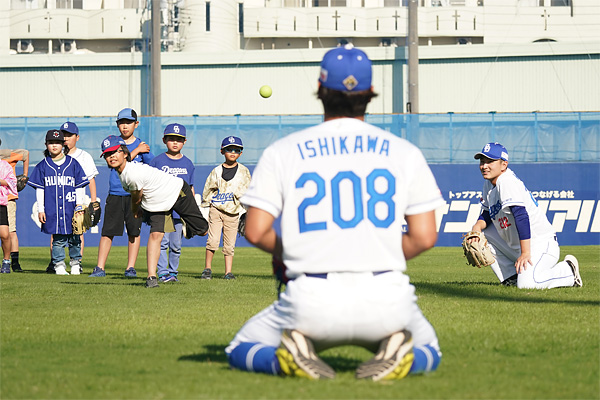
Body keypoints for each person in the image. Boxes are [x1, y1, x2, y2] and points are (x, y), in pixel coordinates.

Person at [225, 45, 445, 381]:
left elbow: (255, 231)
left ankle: (287, 358)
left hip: (312, 300)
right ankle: (400, 354)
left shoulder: (284, 151)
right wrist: (372, 251)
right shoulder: (404, 152)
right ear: (371, 94)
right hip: (387, 298)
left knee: (241, 346)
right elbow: (425, 236)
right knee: (430, 350)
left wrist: (291, 251)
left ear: (321, 91)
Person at [467, 142, 582, 289]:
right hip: (519, 247)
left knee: (528, 285)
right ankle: (511, 277)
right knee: (484, 232)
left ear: (504, 165)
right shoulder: (489, 185)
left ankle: (568, 271)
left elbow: (521, 216)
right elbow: (487, 214)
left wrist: (526, 252)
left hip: (540, 244)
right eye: (482, 161)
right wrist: (476, 228)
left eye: (490, 161)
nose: (484, 166)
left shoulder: (506, 181)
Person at [99, 135, 208, 288]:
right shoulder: (122, 173)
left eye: (115, 152)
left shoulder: (131, 173)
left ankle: (191, 224)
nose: (111, 157)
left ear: (124, 153)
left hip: (177, 192)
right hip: (158, 203)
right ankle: (151, 277)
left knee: (202, 230)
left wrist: (136, 211)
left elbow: (136, 197)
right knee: (155, 235)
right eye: (107, 154)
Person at [89, 108, 154, 278]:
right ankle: (100, 268)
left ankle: (130, 268)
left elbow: (152, 166)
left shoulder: (143, 145)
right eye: (121, 123)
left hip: (134, 195)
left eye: (129, 122)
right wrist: (136, 151)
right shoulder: (113, 142)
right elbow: (115, 163)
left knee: (134, 232)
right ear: (117, 124)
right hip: (116, 193)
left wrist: (140, 150)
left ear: (136, 124)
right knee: (108, 231)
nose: (125, 126)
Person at [27, 130, 89, 275]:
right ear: (46, 144)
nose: (54, 146)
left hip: (71, 208)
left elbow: (80, 186)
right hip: (53, 209)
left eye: (58, 143)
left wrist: (80, 205)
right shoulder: (43, 166)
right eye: (51, 143)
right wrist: (41, 209)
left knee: (75, 237)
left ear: (63, 145)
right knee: (58, 239)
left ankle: (75, 263)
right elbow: (40, 189)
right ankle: (59, 265)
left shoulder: (73, 164)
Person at [149, 123, 195, 283]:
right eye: (171, 139)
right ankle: (162, 272)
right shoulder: (157, 161)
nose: (175, 142)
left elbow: (190, 188)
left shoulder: (188, 163)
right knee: (162, 243)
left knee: (176, 245)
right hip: (162, 208)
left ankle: (173, 272)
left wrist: (192, 212)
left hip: (180, 210)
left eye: (179, 139)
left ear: (185, 141)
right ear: (164, 140)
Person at [200, 136, 251, 280]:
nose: (233, 152)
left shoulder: (244, 171)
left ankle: (228, 272)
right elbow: (207, 190)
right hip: (216, 209)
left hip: (233, 212)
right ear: (222, 151)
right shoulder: (216, 171)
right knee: (213, 241)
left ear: (241, 153)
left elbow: (248, 191)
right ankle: (207, 268)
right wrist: (207, 205)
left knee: (229, 244)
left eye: (236, 150)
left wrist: (247, 210)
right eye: (229, 149)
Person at [60, 121, 99, 259]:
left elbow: (91, 179)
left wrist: (93, 202)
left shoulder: (84, 156)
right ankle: (54, 262)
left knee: (78, 231)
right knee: (56, 232)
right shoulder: (55, 155)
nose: (65, 138)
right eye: (63, 134)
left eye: (69, 135)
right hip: (58, 200)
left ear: (77, 137)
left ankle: (77, 262)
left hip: (78, 201)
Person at [0, 140, 28, 272]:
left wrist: (25, 176)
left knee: (10, 231)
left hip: (6, 199)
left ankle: (14, 262)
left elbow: (25, 154)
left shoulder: (5, 155)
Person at [0, 140, 18, 274]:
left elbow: (12, 181)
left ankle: (6, 261)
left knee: (5, 235)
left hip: (0, 204)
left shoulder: (4, 165)